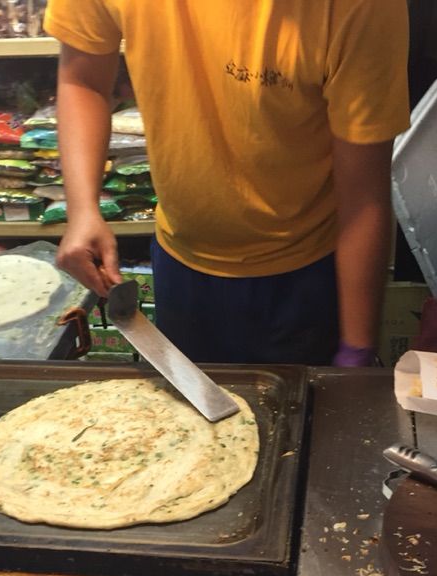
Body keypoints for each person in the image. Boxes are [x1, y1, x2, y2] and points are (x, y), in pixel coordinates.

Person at [45, 1, 409, 366]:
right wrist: (82, 209)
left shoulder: (361, 7)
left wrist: (356, 349)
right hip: (180, 257)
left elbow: (364, 195)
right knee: (182, 401)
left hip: (304, 274)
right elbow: (83, 78)